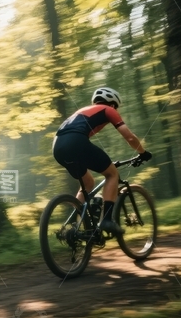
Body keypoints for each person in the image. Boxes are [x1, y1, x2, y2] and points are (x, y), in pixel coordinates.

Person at [52, 87, 151, 235]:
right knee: (112, 174)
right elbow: (129, 137)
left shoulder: (82, 112)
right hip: (76, 141)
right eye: (116, 107)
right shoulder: (107, 109)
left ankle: (73, 227)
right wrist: (143, 153)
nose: (115, 110)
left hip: (57, 147)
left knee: (88, 183)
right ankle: (106, 220)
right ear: (112, 104)